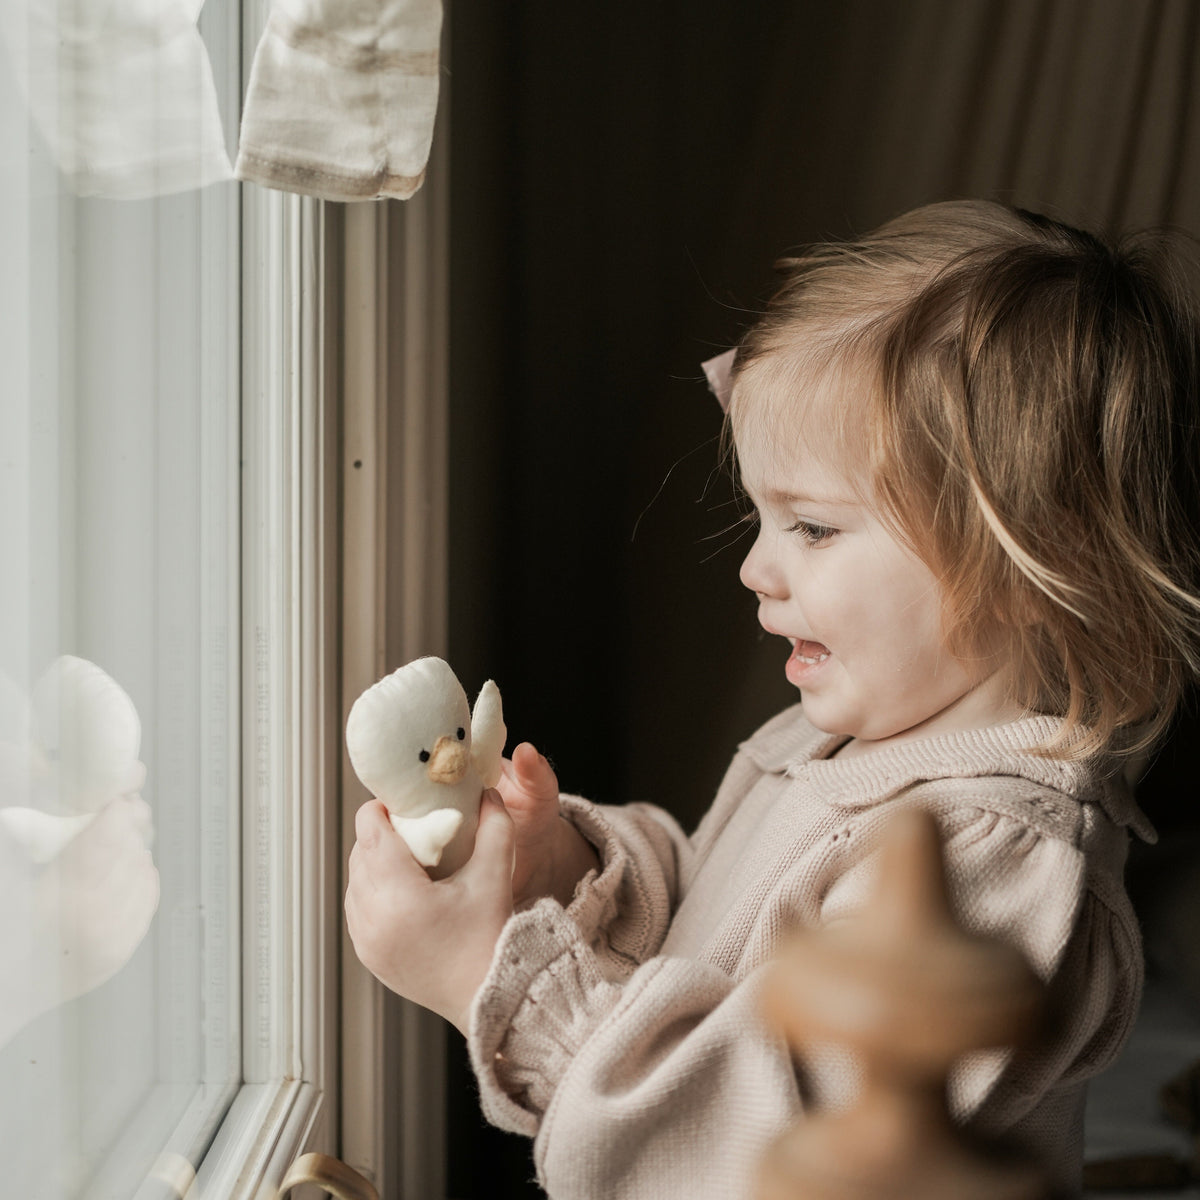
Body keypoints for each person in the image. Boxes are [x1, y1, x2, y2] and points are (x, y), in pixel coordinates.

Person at [344, 200, 1200, 1198]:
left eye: (815, 528)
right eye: (761, 518)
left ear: (1028, 558)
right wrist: (562, 874)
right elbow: (712, 940)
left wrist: (493, 981)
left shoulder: (991, 866)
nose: (756, 569)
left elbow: (755, 1162)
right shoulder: (840, 738)